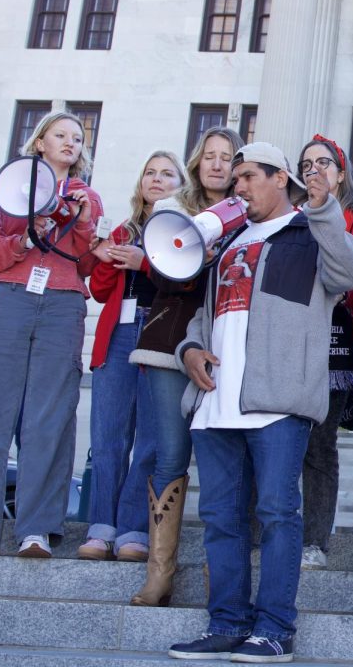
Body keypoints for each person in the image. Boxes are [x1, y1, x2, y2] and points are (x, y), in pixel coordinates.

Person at [167, 142, 353, 661]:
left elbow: (349, 275)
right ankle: (227, 624)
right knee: (221, 518)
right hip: (215, 403)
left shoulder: (309, 232)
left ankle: (276, 629)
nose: (239, 187)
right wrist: (188, 349)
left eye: (250, 176)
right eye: (235, 179)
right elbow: (208, 313)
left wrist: (324, 209)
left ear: (281, 179)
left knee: (278, 513)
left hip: (277, 401)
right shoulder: (226, 240)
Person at [129, 125, 244, 607]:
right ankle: (160, 574)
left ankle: (224, 577)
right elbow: (160, 276)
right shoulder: (172, 210)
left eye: (227, 157)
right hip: (171, 338)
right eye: (210, 156)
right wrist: (198, 259)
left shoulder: (250, 210)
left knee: (225, 460)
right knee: (171, 455)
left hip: (229, 345)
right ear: (197, 162)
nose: (217, 164)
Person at [0, 111, 103, 557]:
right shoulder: (6, 188)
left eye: (77, 137)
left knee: (49, 416)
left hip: (62, 302)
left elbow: (85, 260)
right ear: (40, 142)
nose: (70, 142)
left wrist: (79, 219)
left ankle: (35, 529)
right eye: (60, 135)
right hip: (9, 296)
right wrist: (23, 240)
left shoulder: (85, 195)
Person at [79, 151, 187, 561]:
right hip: (119, 331)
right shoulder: (122, 230)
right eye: (150, 173)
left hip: (159, 332)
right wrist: (106, 257)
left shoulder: (182, 229)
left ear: (181, 185)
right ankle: (99, 526)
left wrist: (143, 264)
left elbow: (182, 282)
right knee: (108, 435)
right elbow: (102, 290)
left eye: (167, 174)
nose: (156, 180)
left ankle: (132, 529)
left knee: (150, 438)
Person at [294, 135, 353, 570]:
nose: (314, 170)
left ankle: (315, 541)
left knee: (319, 446)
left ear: (341, 173)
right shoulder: (289, 218)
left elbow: (349, 283)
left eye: (323, 162)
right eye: (306, 163)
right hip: (289, 346)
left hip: (335, 350)